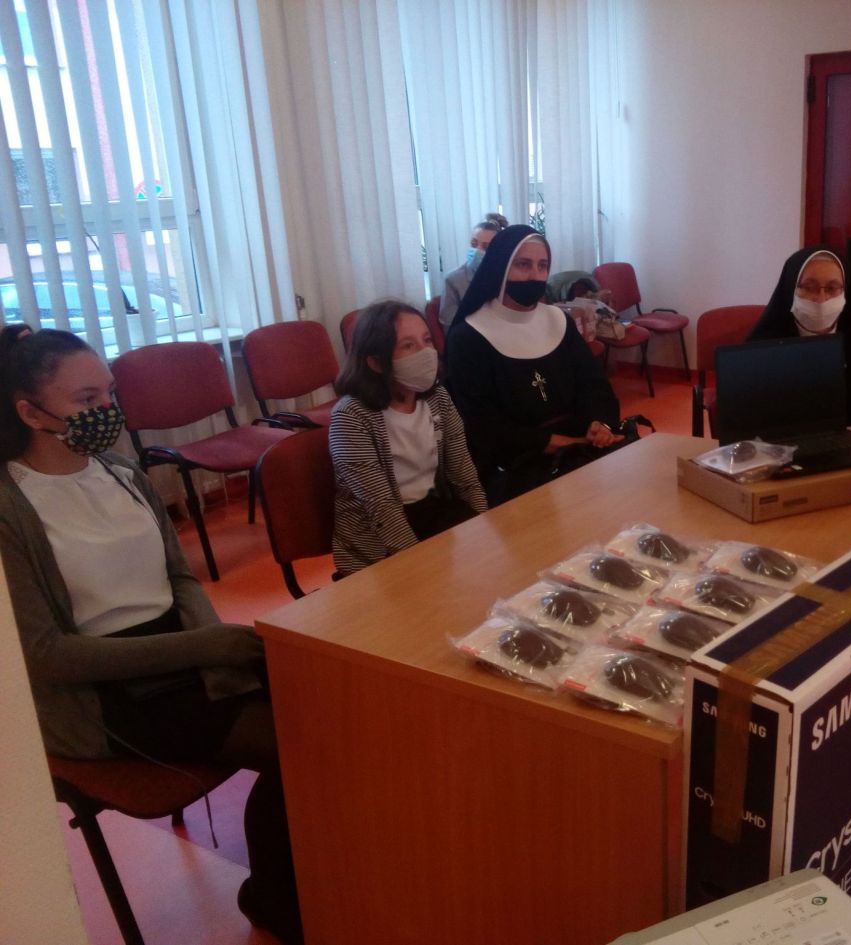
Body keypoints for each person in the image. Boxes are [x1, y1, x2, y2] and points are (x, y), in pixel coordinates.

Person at [0, 326, 302, 943]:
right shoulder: (11, 508)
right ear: (29, 412)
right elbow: (46, 656)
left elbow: (178, 577)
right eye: (87, 400)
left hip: (182, 656)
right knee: (298, 745)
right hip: (107, 697)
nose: (107, 411)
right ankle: (275, 901)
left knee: (329, 701)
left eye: (110, 393)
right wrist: (205, 648)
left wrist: (215, 649)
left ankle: (312, 871)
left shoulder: (122, 472)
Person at [444, 224, 622, 503]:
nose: (535, 276)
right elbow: (482, 423)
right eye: (523, 265)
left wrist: (599, 423)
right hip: (517, 462)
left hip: (581, 444)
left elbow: (593, 384)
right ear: (500, 267)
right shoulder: (469, 336)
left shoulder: (558, 320)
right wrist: (561, 444)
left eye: (543, 266)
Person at [329, 299, 487, 575]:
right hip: (379, 539)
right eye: (408, 346)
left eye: (427, 340)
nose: (426, 353)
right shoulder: (351, 417)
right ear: (376, 362)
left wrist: (486, 528)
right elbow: (381, 508)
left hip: (433, 513)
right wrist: (420, 567)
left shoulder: (438, 398)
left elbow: (465, 476)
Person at [747, 246, 851, 442]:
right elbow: (742, 432)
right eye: (809, 287)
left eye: (833, 288)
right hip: (778, 456)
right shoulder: (757, 353)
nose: (821, 299)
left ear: (846, 293)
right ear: (790, 289)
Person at [439, 213, 508, 330]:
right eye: (474, 244)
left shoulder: (506, 277)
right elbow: (449, 323)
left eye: (486, 247)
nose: (477, 250)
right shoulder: (453, 280)